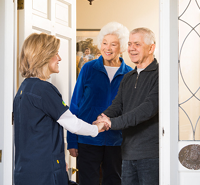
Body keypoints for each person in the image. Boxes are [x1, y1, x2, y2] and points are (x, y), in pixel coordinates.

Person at [13, 33, 107, 185]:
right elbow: (73, 124)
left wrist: (57, 161)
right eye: (56, 53)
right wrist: (97, 128)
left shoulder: (23, 89)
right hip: (44, 173)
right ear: (43, 56)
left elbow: (36, 132)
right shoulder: (43, 89)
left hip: (25, 171)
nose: (60, 58)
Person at [67, 22, 133, 185]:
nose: (107, 48)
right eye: (104, 43)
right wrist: (72, 140)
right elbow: (75, 104)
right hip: (88, 138)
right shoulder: (88, 68)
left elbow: (131, 111)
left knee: (114, 181)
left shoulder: (129, 74)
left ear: (122, 47)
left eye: (113, 44)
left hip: (116, 141)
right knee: (88, 181)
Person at [94, 27, 159, 185]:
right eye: (130, 44)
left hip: (151, 156)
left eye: (137, 44)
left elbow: (147, 109)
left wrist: (112, 123)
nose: (131, 48)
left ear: (151, 47)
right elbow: (117, 105)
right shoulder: (128, 77)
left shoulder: (161, 75)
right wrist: (103, 117)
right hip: (127, 153)